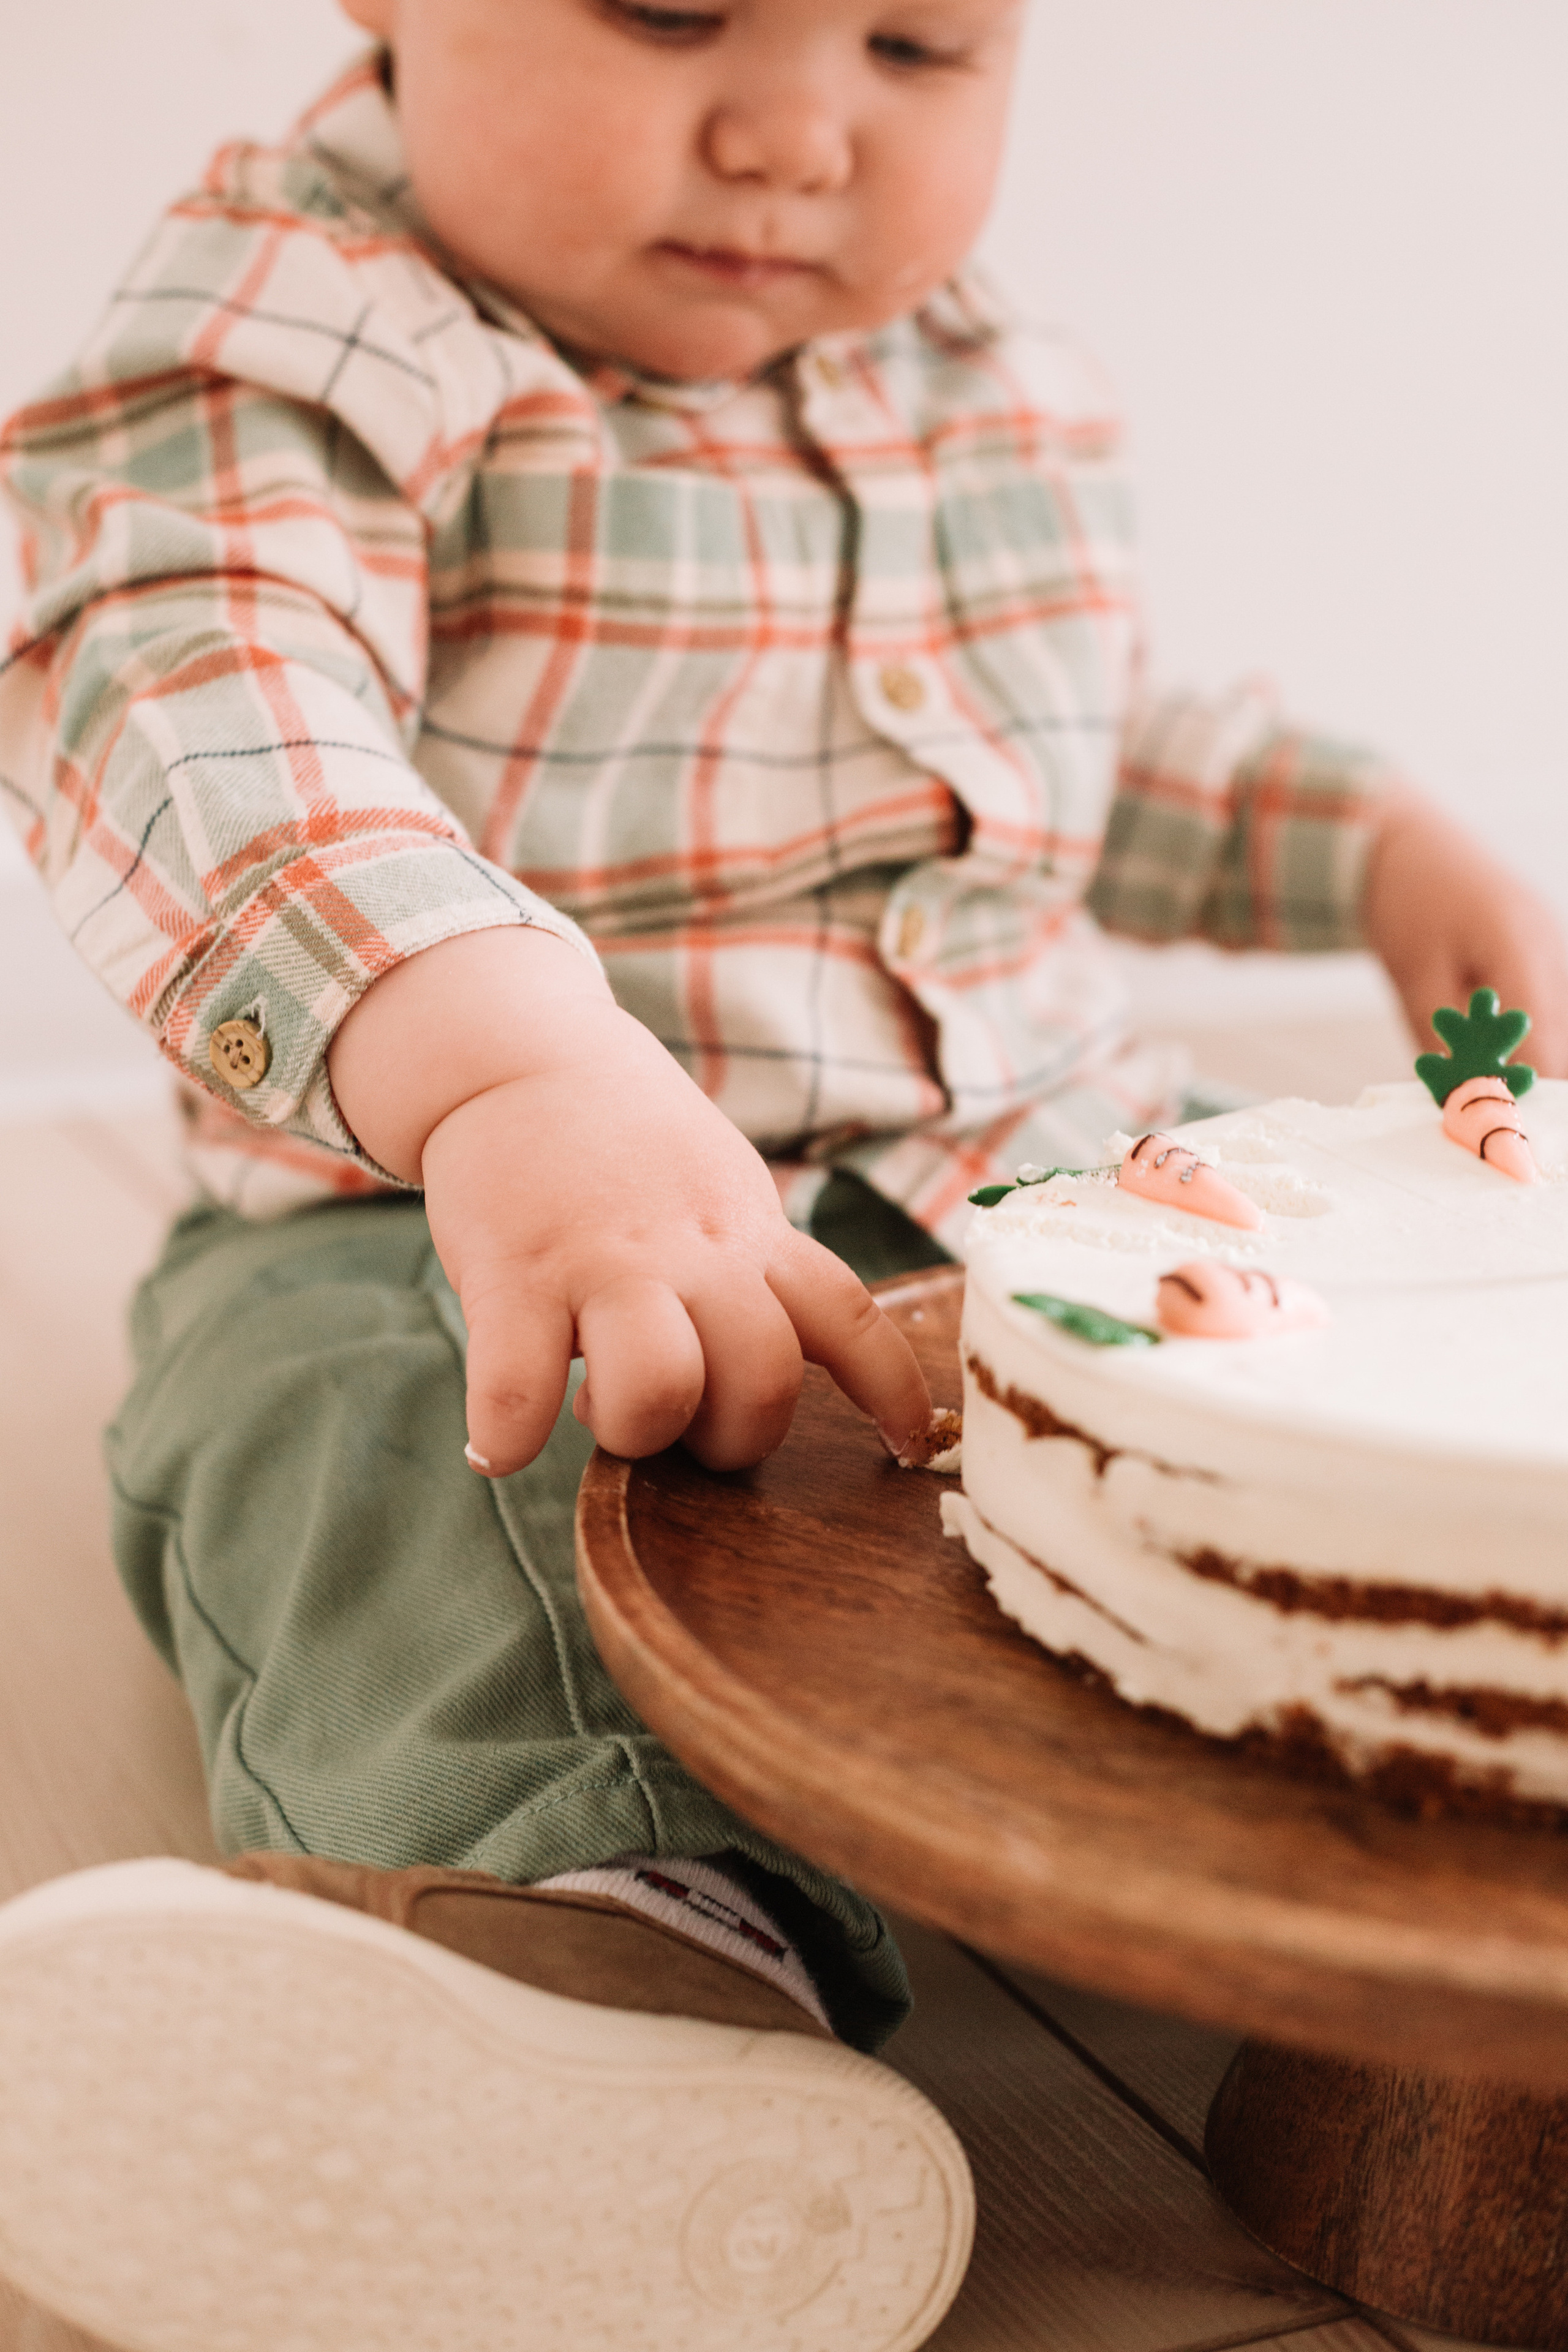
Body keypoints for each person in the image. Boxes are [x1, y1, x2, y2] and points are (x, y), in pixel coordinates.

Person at [0, 2, 1564, 2344]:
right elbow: (199, 690)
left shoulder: (972, 371)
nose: (793, 130)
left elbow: (1048, 746)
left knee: (1363, 1416)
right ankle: (614, 1986)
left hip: (1010, 1175)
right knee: (398, 1461)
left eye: (919, 45)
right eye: (667, 5)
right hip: (450, 1204)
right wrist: (511, 1068)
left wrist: (1368, 842)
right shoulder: (297, 331)